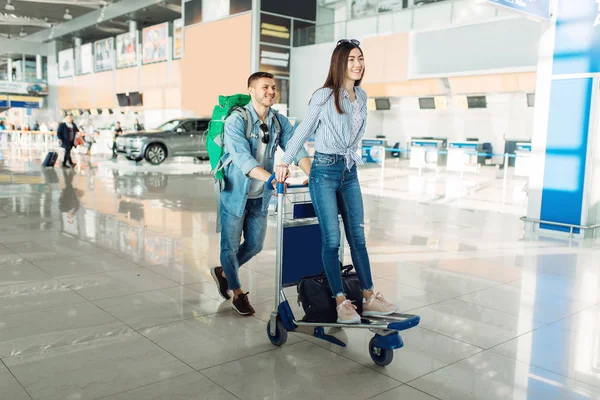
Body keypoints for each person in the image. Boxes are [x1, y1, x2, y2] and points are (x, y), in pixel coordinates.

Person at [275, 39, 397, 324]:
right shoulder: (324, 95)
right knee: (332, 240)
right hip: (324, 171)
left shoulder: (362, 97)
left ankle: (368, 297)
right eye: (351, 59)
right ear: (339, 64)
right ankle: (341, 301)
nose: (357, 64)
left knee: (358, 237)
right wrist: (286, 161)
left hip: (349, 171)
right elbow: (302, 131)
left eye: (360, 58)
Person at [211, 72, 311, 316]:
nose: (271, 91)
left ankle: (223, 272)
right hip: (235, 193)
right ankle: (237, 292)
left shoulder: (278, 121)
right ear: (251, 91)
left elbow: (295, 147)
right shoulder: (236, 120)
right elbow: (242, 159)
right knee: (230, 247)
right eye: (265, 87)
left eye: (273, 87)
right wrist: (272, 179)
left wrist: (313, 173)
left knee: (255, 245)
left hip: (260, 197)